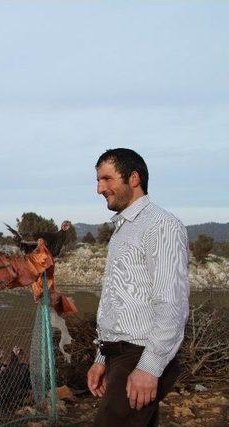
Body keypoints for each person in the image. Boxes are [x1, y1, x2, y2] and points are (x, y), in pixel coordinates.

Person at [87, 148, 189, 426]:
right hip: (119, 356)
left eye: (106, 179)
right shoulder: (123, 229)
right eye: (97, 181)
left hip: (139, 355)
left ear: (134, 178)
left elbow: (172, 303)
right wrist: (101, 357)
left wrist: (149, 367)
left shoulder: (161, 225)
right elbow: (117, 302)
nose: (99, 189)